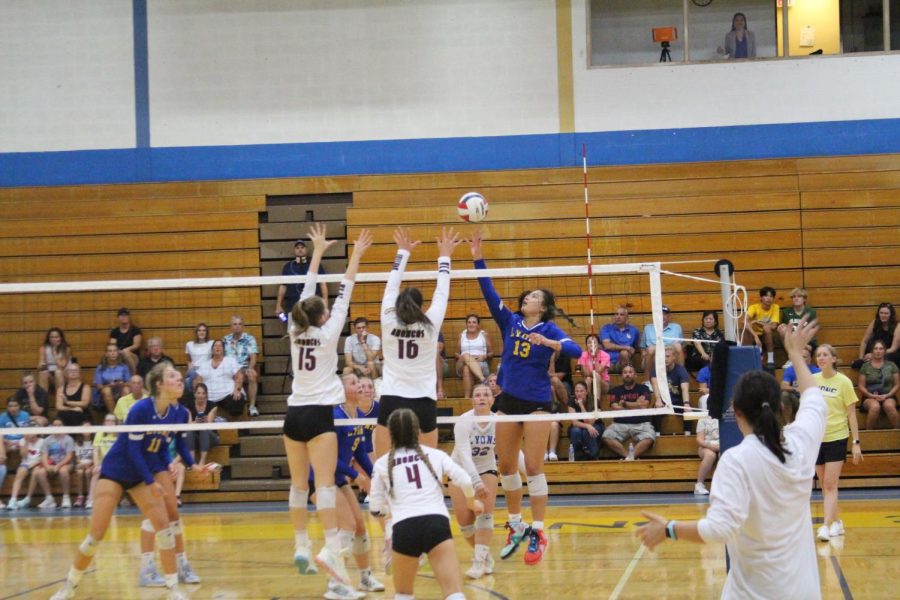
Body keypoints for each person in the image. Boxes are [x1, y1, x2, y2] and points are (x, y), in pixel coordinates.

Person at [637, 318, 825, 600]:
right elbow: (814, 399)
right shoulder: (800, 444)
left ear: (735, 411)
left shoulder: (736, 460)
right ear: (779, 407)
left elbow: (718, 530)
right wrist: (795, 354)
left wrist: (669, 529)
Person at [470, 228, 581, 565]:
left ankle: (539, 529)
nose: (527, 298)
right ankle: (516, 524)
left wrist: (550, 345)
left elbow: (575, 349)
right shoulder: (511, 321)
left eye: (533, 296)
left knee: (533, 465)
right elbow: (489, 293)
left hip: (536, 403)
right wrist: (477, 257)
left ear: (543, 306)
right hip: (508, 401)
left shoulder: (549, 329)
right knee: (505, 465)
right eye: (527, 295)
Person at [50, 362, 195, 600]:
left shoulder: (176, 412)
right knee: (95, 535)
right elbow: (134, 451)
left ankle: (173, 590)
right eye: (172, 376)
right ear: (159, 384)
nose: (179, 380)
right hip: (117, 470)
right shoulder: (140, 409)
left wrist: (188, 465)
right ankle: (69, 586)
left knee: (164, 529)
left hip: (141, 474)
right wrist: (152, 481)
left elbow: (160, 448)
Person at [282, 223, 371, 586]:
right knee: (326, 487)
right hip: (319, 416)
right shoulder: (328, 331)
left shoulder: (293, 329)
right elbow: (345, 290)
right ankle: (331, 549)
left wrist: (316, 252)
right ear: (322, 317)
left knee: (299, 486)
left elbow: (303, 292)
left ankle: (301, 544)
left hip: (293, 415)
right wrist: (357, 256)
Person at [369, 408, 483, 600]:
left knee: (404, 594)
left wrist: (388, 514)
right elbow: (464, 479)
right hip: (435, 523)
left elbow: (375, 507)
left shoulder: (382, 463)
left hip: (404, 528)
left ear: (391, 434)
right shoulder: (435, 455)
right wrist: (472, 502)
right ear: (418, 431)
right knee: (454, 593)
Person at [375, 226, 460, 455]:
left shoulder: (388, 319)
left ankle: (383, 491)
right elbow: (442, 292)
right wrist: (445, 256)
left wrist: (403, 252)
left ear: (399, 303)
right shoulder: (430, 325)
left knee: (383, 464)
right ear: (422, 307)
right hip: (423, 399)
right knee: (427, 464)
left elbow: (391, 285)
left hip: (391, 396)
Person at [328, 373, 385, 597]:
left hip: (339, 478)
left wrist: (374, 477)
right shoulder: (335, 415)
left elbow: (360, 451)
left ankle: (365, 577)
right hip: (321, 478)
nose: (360, 386)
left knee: (360, 527)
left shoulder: (358, 414)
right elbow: (329, 457)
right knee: (348, 526)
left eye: (361, 383)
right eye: (354, 383)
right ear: (341, 390)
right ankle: (335, 582)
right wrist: (355, 475)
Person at [813, 343, 863, 542]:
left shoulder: (844, 382)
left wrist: (856, 442)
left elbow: (851, 414)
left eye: (825, 355)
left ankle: (825, 526)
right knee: (826, 486)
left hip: (837, 437)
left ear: (834, 359)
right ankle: (837, 522)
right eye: (818, 355)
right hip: (817, 438)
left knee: (830, 484)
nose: (821, 358)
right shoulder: (813, 381)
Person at [449, 383, 498, 579]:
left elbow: (511, 450)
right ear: (472, 400)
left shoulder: (499, 421)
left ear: (492, 399)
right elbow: (464, 454)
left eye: (486, 394)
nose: (482, 397)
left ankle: (478, 560)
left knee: (485, 513)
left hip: (487, 468)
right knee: (465, 522)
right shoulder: (463, 421)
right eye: (478, 394)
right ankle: (485, 556)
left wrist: (525, 469)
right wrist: (475, 482)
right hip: (460, 470)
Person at [602, 365, 656, 460]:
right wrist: (637, 404)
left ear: (635, 375)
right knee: (606, 436)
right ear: (622, 375)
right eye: (625, 372)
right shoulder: (615, 390)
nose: (628, 374)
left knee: (650, 437)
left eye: (630, 372)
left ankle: (629, 458)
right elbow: (615, 407)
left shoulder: (644, 389)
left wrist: (625, 404)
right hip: (620, 424)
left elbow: (644, 405)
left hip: (641, 423)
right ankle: (629, 457)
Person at [275, 237, 328, 320]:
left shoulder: (314, 265)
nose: (300, 250)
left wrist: (325, 305)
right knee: (293, 330)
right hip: (293, 306)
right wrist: (278, 305)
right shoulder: (288, 266)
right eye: (297, 248)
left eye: (302, 247)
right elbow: (283, 286)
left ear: (306, 249)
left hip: (312, 306)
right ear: (294, 250)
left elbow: (323, 284)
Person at [194, 340, 245, 417]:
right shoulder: (204, 364)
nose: (217, 347)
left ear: (223, 350)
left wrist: (237, 389)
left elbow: (239, 376)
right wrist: (199, 393)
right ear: (212, 349)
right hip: (209, 397)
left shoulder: (230, 361)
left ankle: (236, 427)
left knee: (238, 399)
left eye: (220, 346)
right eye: (215, 346)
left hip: (227, 394)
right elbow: (197, 380)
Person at [857, 340, 900, 429]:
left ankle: (897, 433)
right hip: (869, 397)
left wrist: (888, 395)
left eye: (881, 349)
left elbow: (897, 384)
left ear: (884, 351)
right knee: (875, 407)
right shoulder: (865, 366)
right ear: (872, 351)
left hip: (889, 395)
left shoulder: (892, 365)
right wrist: (871, 396)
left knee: (889, 406)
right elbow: (861, 386)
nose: (878, 351)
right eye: (875, 349)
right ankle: (868, 435)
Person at [223, 315, 260, 417]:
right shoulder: (225, 340)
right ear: (231, 326)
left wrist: (250, 368)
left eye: (239, 324)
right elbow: (222, 357)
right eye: (235, 324)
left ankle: (252, 406)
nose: (237, 326)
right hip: (230, 369)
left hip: (244, 367)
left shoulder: (250, 339)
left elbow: (253, 356)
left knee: (252, 375)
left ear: (243, 326)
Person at [651, 346, 692, 434]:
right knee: (655, 409)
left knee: (689, 410)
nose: (665, 359)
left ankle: (687, 435)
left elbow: (685, 388)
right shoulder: (656, 369)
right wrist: (658, 400)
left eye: (668, 356)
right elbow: (655, 384)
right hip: (664, 401)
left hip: (678, 401)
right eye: (663, 356)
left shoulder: (681, 370)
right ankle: (657, 435)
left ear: (674, 357)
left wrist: (686, 403)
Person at [455, 314, 494, 398]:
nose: (471, 324)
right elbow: (456, 353)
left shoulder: (484, 335)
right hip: (461, 364)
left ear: (478, 325)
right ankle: (483, 379)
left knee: (467, 369)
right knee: (465, 355)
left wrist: (484, 357)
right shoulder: (462, 335)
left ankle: (466, 399)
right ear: (466, 324)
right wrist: (464, 358)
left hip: (481, 364)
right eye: (469, 322)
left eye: (474, 322)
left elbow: (491, 353)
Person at [183, 383, 220, 470]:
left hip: (210, 436)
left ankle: (202, 461)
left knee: (204, 429)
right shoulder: (188, 405)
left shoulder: (213, 406)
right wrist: (196, 422)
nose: (201, 395)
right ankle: (191, 461)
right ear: (194, 394)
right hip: (194, 437)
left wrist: (205, 421)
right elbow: (188, 424)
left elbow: (209, 425)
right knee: (189, 431)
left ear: (206, 394)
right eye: (198, 393)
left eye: (203, 393)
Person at [87, 413, 120, 510]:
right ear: (104, 423)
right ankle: (91, 500)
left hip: (116, 463)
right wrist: (96, 465)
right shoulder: (100, 433)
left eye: (112, 421)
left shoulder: (119, 434)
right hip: (103, 464)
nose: (109, 423)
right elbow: (95, 450)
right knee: (96, 472)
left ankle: (113, 501)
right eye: (107, 421)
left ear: (116, 423)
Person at [744, 287, 781, 372]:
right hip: (754, 336)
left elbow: (774, 326)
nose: (769, 298)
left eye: (771, 296)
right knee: (746, 329)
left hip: (767, 336)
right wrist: (756, 336)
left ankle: (770, 360)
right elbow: (745, 322)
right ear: (761, 298)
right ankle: (748, 359)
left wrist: (759, 323)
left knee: (767, 328)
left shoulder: (775, 307)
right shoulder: (754, 307)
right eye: (766, 296)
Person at [42, 418, 76, 509]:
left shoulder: (69, 439)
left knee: (63, 471)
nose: (57, 427)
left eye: (59, 425)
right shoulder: (47, 440)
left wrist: (59, 465)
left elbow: (69, 456)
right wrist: (47, 466)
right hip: (52, 463)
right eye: (55, 425)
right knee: (39, 472)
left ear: (63, 426)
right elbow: (44, 456)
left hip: (66, 464)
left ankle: (66, 497)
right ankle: (49, 499)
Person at [854, 302, 900, 369]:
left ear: (891, 315)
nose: (883, 315)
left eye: (886, 313)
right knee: (857, 364)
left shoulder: (898, 326)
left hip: (889, 353)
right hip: (876, 350)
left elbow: (894, 348)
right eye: (881, 313)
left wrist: (875, 355)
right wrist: (861, 358)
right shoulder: (874, 322)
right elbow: (864, 341)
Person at [781, 347, 821, 424]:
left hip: (810, 400)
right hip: (796, 399)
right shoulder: (790, 370)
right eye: (799, 357)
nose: (801, 359)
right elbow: (783, 386)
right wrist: (796, 389)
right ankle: (788, 424)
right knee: (784, 395)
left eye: (804, 357)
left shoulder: (816, 371)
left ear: (810, 360)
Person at [642, 305, 683, 373]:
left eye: (665, 314)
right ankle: (647, 381)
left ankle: (681, 377)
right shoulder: (648, 328)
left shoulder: (677, 327)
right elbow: (643, 348)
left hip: (671, 355)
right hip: (654, 356)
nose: (662, 317)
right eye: (659, 314)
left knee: (678, 346)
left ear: (670, 316)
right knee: (651, 349)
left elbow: (681, 347)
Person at [92, 343, 132, 414]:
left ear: (118, 353)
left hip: (120, 391)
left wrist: (122, 384)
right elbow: (98, 385)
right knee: (107, 390)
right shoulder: (100, 368)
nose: (113, 353)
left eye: (115, 351)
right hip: (105, 395)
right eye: (110, 351)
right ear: (106, 354)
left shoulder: (123, 367)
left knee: (127, 389)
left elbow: (129, 383)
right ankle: (114, 416)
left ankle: (122, 415)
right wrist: (109, 385)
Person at [567, 381, 602, 460]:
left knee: (588, 431)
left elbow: (590, 422)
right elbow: (574, 422)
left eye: (581, 391)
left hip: (595, 425)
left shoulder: (594, 401)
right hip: (579, 425)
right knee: (575, 431)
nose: (579, 393)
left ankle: (593, 456)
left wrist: (581, 405)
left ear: (586, 392)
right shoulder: (571, 401)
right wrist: (587, 426)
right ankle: (574, 457)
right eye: (577, 391)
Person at [601, 306, 640, 372]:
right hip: (608, 362)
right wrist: (626, 347)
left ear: (627, 317)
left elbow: (636, 347)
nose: (618, 317)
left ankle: (626, 375)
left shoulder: (634, 330)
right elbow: (607, 345)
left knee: (624, 353)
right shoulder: (606, 328)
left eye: (621, 315)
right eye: (616, 314)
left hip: (623, 362)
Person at [38, 327, 72, 393]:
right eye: (52, 337)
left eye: (56, 337)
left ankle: (60, 399)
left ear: (61, 338)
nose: (54, 339)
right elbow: (39, 366)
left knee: (58, 372)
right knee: (43, 373)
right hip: (50, 374)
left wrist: (54, 352)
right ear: (49, 338)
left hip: (64, 374)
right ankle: (43, 400)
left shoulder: (66, 348)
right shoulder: (44, 348)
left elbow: (62, 366)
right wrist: (43, 366)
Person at [576, 333, 610, 399]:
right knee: (588, 379)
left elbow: (598, 371)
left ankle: (598, 404)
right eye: (589, 343)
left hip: (603, 383)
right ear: (586, 345)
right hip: (588, 382)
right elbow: (585, 374)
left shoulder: (605, 355)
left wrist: (594, 355)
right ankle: (589, 404)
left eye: (594, 342)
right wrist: (587, 355)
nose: (592, 344)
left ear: (599, 344)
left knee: (596, 376)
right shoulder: (582, 355)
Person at [694, 407, 719, 496]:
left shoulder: (725, 417)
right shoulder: (703, 418)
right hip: (706, 446)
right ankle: (699, 485)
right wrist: (711, 446)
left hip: (721, 445)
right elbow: (699, 439)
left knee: (725, 454)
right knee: (710, 455)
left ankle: (722, 485)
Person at [108, 307, 142, 373]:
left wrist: (126, 350)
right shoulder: (115, 332)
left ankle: (134, 374)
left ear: (129, 317)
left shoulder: (135, 330)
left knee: (126, 354)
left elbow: (136, 345)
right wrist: (119, 352)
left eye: (126, 315)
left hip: (133, 356)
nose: (124, 317)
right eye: (122, 315)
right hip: (119, 354)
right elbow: (112, 345)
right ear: (118, 317)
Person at [183, 323, 213, 391]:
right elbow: (188, 359)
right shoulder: (189, 344)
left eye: (204, 330)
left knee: (187, 381)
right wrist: (189, 365)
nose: (201, 332)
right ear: (196, 332)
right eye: (199, 330)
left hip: (206, 370)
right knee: (193, 373)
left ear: (206, 332)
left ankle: (193, 397)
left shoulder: (211, 343)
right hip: (194, 369)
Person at [73, 420, 95, 507]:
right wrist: (81, 464)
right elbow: (77, 458)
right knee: (79, 472)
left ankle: (90, 496)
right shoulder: (78, 443)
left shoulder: (94, 441)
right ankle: (80, 496)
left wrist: (89, 464)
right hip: (81, 464)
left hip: (91, 463)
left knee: (88, 472)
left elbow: (95, 457)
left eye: (88, 428)